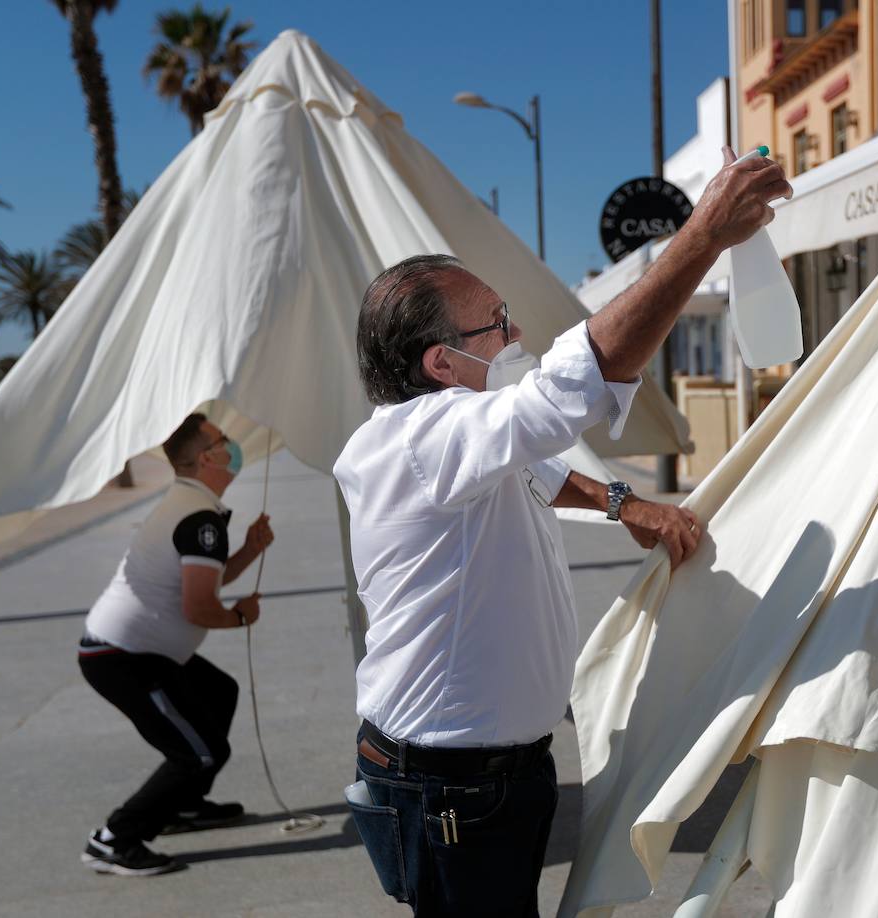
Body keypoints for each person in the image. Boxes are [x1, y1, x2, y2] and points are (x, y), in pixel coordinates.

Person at [333, 146, 790, 915]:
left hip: (488, 773)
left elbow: (537, 471)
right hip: (448, 783)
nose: (514, 334)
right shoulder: (420, 437)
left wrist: (623, 504)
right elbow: (566, 394)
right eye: (497, 324)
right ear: (443, 364)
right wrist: (702, 236)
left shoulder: (458, 442)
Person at [78, 413, 273, 876]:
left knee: (218, 693)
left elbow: (201, 580)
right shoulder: (199, 518)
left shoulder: (192, 506)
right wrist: (240, 616)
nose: (232, 445)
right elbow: (199, 607)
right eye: (223, 440)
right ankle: (114, 839)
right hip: (122, 657)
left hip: (135, 651)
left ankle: (181, 805)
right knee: (201, 751)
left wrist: (248, 550)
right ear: (208, 457)